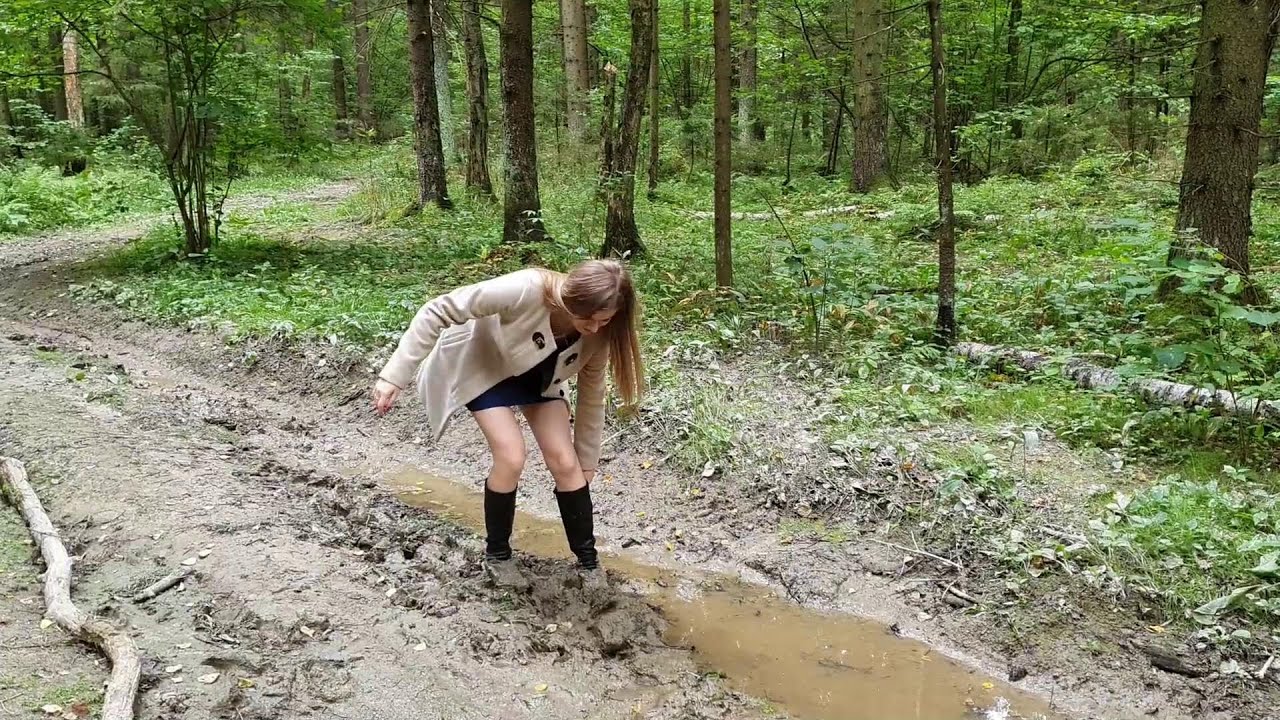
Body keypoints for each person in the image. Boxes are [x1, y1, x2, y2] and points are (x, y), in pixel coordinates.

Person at [371, 259, 645, 589]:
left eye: (605, 320)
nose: (596, 328)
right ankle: (498, 556)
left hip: (540, 379)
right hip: (485, 369)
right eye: (588, 318)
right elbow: (438, 309)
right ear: (570, 298)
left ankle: (589, 564)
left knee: (567, 464)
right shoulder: (525, 289)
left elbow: (593, 393)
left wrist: (587, 462)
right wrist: (394, 376)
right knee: (511, 455)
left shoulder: (599, 334)